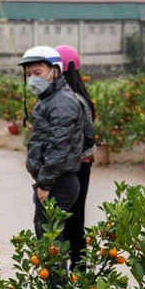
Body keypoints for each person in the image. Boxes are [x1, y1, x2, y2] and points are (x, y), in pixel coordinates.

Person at [20, 45, 90, 241]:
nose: (32, 78)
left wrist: (45, 184)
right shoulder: (49, 99)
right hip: (54, 181)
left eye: (37, 72)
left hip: (58, 182)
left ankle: (57, 273)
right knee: (49, 241)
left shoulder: (61, 103)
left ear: (55, 71)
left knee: (50, 244)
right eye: (28, 74)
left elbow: (60, 146)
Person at [54, 44, 96, 268]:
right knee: (74, 217)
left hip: (75, 166)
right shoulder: (79, 96)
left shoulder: (71, 100)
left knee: (71, 219)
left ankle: (79, 269)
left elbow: (84, 138)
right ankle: (79, 269)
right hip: (81, 165)